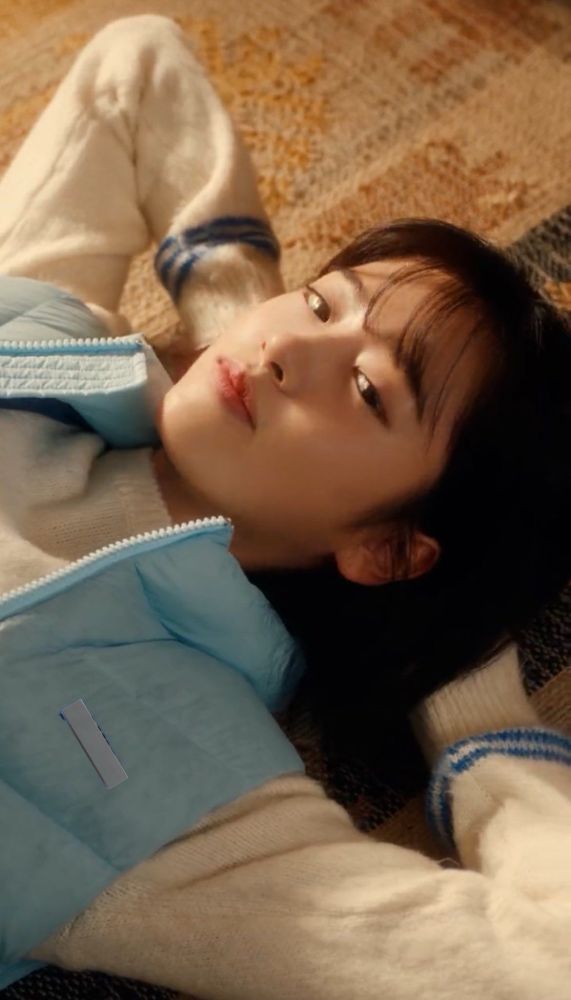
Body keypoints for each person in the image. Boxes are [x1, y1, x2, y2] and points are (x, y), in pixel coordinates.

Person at [0, 15, 569, 1000]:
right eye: (320, 300)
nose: (287, 347)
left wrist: (460, 682)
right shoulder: (50, 349)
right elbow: (137, 67)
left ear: (389, 550)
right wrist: (239, 330)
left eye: (368, 389)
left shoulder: (188, 781)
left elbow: (544, 960)